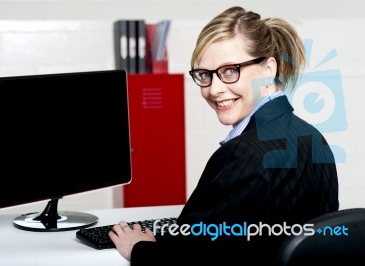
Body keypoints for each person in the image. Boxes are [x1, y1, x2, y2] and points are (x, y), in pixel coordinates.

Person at [109, 6, 339, 265]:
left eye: (230, 71)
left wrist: (139, 248)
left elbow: (185, 259)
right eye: (205, 75)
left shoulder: (243, 153)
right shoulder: (314, 137)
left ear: (268, 68)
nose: (215, 89)